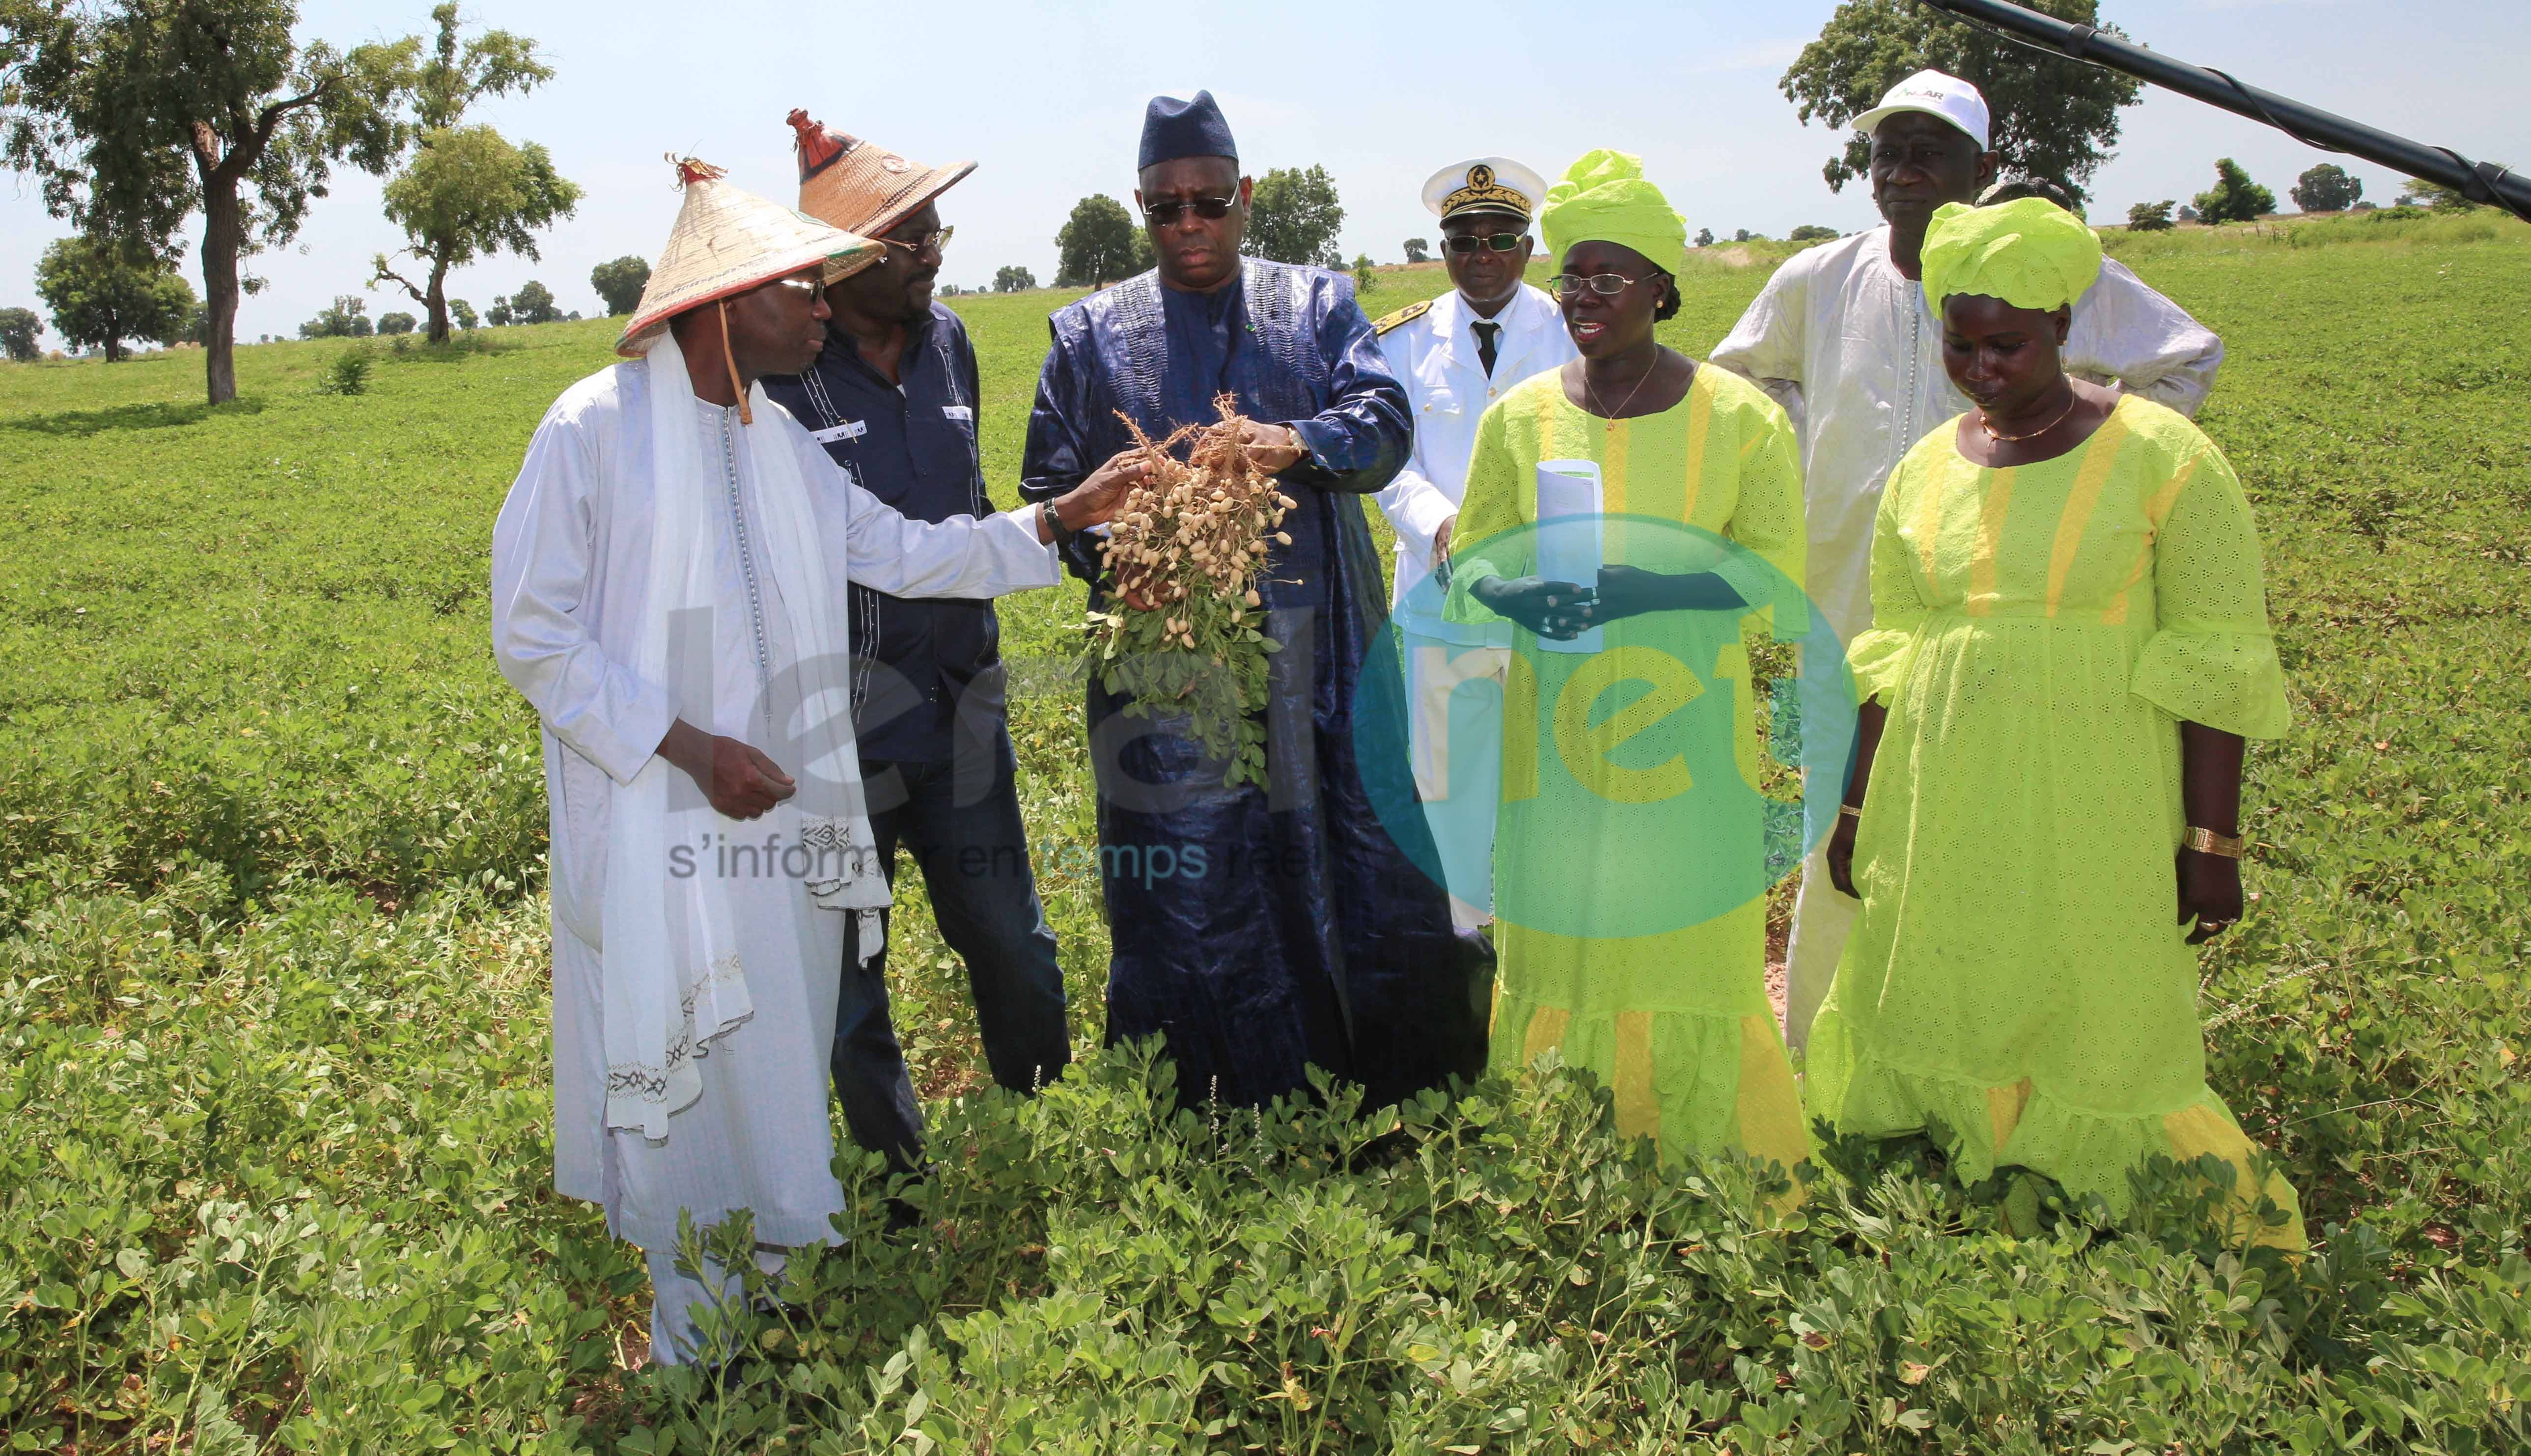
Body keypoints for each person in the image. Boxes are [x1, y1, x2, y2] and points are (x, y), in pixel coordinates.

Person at [491, 160, 1139, 1364]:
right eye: (801, 289)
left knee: (775, 1037)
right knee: (689, 1056)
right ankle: (697, 1341)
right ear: (727, 301)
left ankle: (772, 1266)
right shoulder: (592, 429)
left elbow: (899, 550)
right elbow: (531, 632)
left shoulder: (775, 439)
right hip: (662, 826)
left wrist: (1062, 517)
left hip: (780, 814)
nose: (824, 309)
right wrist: (689, 750)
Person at [1810, 198, 2302, 1249]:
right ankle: (1957, 1147)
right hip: (1943, 786)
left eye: (2008, 343)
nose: (1982, 366)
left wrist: (2212, 841)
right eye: (1960, 341)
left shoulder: (2163, 456)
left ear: (2065, 328)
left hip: (2104, 783)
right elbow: (1891, 656)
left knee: (2101, 985)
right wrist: (1856, 807)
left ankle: (2117, 1184)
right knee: (1953, 963)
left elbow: (2218, 657)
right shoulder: (1925, 470)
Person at [1710, 69, 2227, 1051]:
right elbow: (1739, 382)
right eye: (1885, 151)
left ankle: (1976, 1047)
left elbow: (2184, 356)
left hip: (1988, 613)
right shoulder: (1817, 279)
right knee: (1837, 826)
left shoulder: (2042, 272)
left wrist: (2090, 469)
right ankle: (1824, 1049)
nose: (1901, 172)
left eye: (1928, 153)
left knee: (1981, 822)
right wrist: (1797, 456)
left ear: (1980, 170)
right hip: (1837, 602)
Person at [1020, 91, 1481, 1110]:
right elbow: (1053, 486)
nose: (1189, 225)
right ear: (1138, 204)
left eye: (1210, 201)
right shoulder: (1089, 336)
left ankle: (1388, 1080)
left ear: (1246, 195)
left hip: (1327, 647)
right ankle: (1217, 1089)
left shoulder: (1318, 304)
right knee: (1194, 877)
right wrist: (1121, 558)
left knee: (1353, 849)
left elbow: (1386, 419)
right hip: (1172, 665)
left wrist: (1295, 442)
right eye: (1165, 207)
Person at [1446, 150, 1810, 1180]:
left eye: (1610, 276)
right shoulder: (1519, 417)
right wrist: (1526, 595)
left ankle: (1706, 1149)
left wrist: (1649, 591)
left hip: (1688, 725)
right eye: (1571, 276)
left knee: (1685, 932)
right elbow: (1472, 570)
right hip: (1555, 725)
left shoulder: (1742, 419)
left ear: (1661, 284)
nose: (1583, 296)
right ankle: (1568, 1146)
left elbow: (1779, 584)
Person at [760, 112, 1066, 1179]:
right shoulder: (778, 378)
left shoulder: (952, 342)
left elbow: (968, 509)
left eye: (940, 231)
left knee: (1008, 935)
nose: (938, 252)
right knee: (849, 970)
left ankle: (1043, 1123)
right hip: (837, 722)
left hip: (963, 698)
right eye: (914, 239)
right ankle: (896, 1173)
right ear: (843, 262)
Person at [1370, 157, 1576, 933]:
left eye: (1499, 238)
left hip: (1546, 597)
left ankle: (1545, 945)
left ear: (1528, 248)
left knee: (1551, 781)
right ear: (1442, 247)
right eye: (1462, 240)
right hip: (1440, 595)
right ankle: (1464, 952)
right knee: (1448, 790)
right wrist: (1443, 526)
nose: (1480, 255)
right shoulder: (1401, 342)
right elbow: (1387, 463)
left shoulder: (1567, 329)